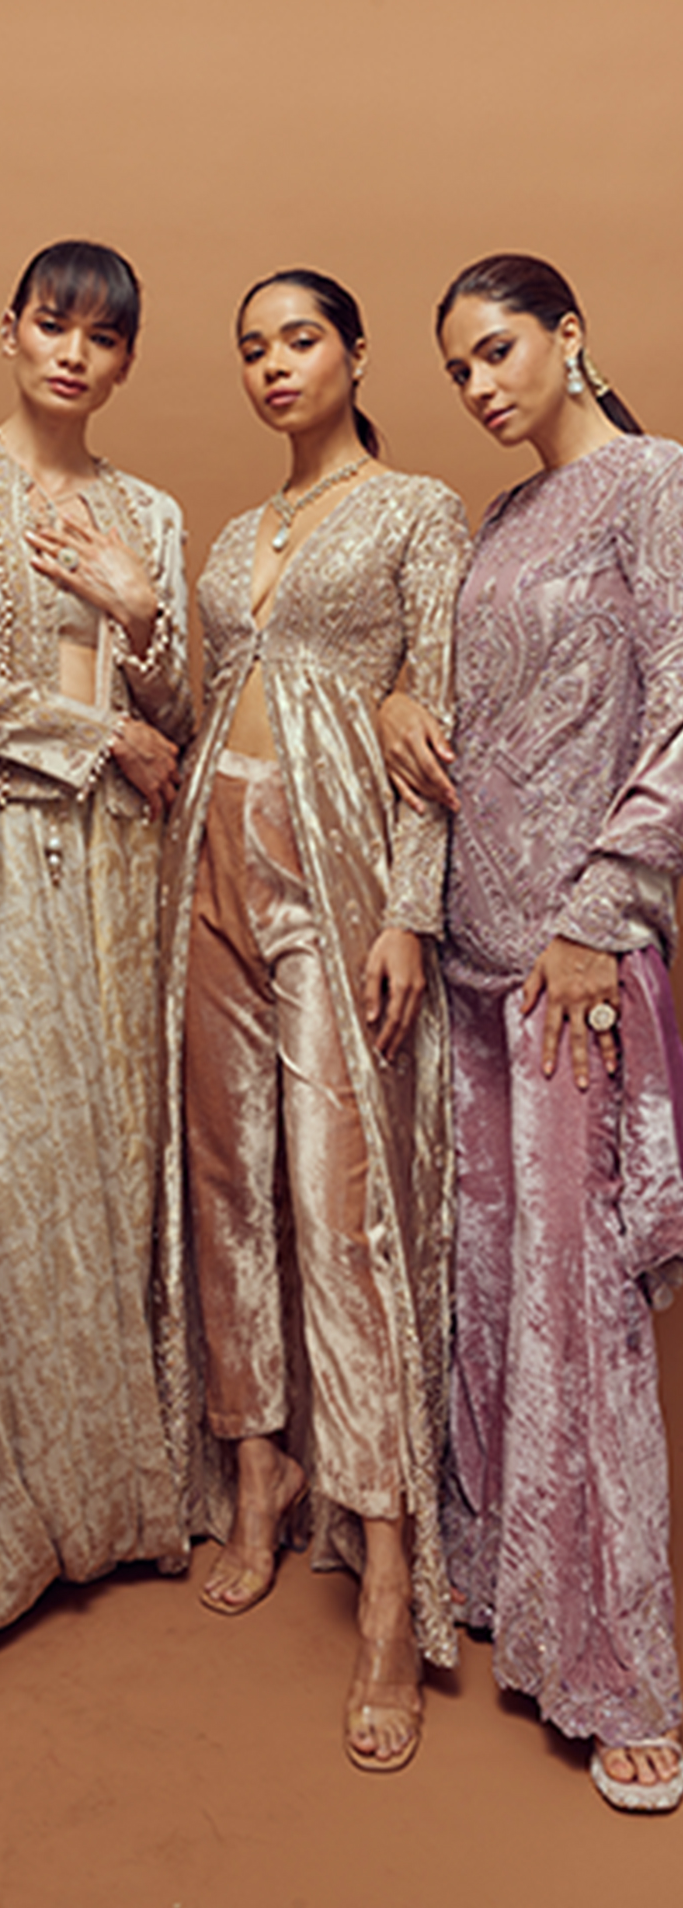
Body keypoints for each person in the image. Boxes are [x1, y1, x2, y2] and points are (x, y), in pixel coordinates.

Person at [380, 252, 683, 1812]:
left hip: (574, 961)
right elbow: (458, 711)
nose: (481, 385)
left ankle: (622, 1671)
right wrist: (396, 707)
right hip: (472, 960)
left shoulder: (655, 486)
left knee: (579, 1312)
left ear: (570, 336)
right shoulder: (500, 520)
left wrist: (601, 910)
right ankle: (510, 1594)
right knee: (490, 1292)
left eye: (499, 350)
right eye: (457, 369)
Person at [155, 269, 468, 1769]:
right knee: (229, 1182)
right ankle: (258, 1467)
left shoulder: (416, 511)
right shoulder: (234, 537)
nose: (274, 366)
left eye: (300, 340)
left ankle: (389, 1569)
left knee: (344, 1213)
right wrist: (128, 620)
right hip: (205, 867)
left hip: (335, 874)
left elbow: (439, 718)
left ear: (354, 353)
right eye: (252, 349)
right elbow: (205, 698)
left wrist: (411, 907)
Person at [0, 240, 193, 1632]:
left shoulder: (151, 511)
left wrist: (142, 612)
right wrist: (98, 731)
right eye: (54, 324)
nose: (74, 353)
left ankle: (116, 1505)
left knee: (109, 1170)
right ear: (8, 329)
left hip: (121, 871)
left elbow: (179, 723)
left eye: (103, 337)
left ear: (125, 362)